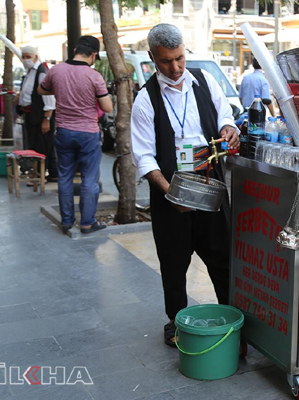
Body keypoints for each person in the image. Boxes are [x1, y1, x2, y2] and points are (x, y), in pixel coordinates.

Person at [130, 23, 239, 347]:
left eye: (179, 58)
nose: (175, 68)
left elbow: (226, 113)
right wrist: (170, 193)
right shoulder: (145, 100)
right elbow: (145, 157)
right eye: (166, 61)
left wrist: (229, 127)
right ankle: (176, 323)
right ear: (152, 58)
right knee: (174, 264)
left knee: (222, 258)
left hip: (210, 186)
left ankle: (231, 320)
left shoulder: (204, 82)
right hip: (171, 193)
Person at [38, 35, 112, 234]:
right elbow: (107, 107)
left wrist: (61, 90)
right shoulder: (94, 76)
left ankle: (67, 221)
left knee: (65, 176)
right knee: (89, 179)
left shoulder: (56, 70)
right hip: (88, 133)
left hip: (63, 132)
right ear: (94, 54)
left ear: (75, 51)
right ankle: (87, 223)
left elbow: (41, 90)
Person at [15, 46, 58, 183]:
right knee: (41, 145)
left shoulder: (41, 72)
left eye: (29, 56)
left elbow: (50, 99)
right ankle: (49, 173)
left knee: (42, 145)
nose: (26, 60)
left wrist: (47, 118)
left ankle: (40, 175)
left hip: (41, 115)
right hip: (31, 114)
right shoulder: (29, 72)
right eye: (24, 57)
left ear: (35, 57)